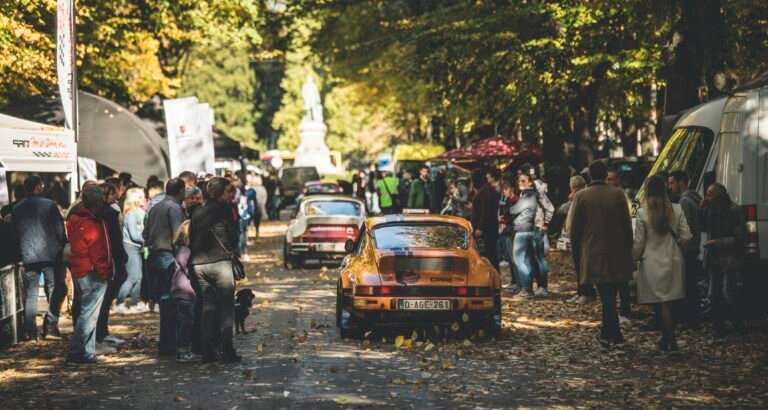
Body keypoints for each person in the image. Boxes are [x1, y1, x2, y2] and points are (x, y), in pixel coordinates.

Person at [569, 160, 634, 350]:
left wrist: (577, 253)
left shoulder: (581, 196)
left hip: (593, 252)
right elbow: (627, 225)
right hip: (617, 251)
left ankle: (614, 336)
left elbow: (575, 229)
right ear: (605, 174)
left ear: (589, 175)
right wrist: (628, 249)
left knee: (606, 294)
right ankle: (608, 334)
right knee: (609, 294)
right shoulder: (618, 194)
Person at [633, 176, 692, 353]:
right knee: (669, 303)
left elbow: (639, 243)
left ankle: (671, 342)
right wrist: (678, 247)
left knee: (661, 304)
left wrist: (633, 259)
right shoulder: (677, 209)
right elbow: (687, 236)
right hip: (674, 260)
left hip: (651, 262)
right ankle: (666, 340)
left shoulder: (643, 213)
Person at [189, 177, 241, 363]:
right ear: (220, 192)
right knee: (227, 308)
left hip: (199, 264)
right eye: (227, 191)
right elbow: (234, 238)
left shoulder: (197, 211)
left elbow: (191, 237)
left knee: (207, 307)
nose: (230, 195)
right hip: (220, 263)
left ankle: (207, 351)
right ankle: (227, 350)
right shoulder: (224, 210)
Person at [11, 175, 66, 340]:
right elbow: (59, 230)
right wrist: (62, 245)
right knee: (54, 290)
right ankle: (50, 327)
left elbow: (15, 233)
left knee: (31, 294)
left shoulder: (17, 208)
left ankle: (30, 331)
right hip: (50, 254)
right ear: (38, 186)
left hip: (29, 255)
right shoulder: (50, 205)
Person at [65, 186, 112, 365]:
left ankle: (87, 352)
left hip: (81, 270)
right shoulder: (91, 222)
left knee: (89, 314)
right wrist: (104, 271)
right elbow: (97, 250)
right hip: (91, 272)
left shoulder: (76, 219)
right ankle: (76, 352)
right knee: (88, 315)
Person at [143, 178, 186, 355]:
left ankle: (166, 342)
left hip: (155, 256)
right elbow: (179, 235)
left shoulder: (155, 207)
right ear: (181, 191)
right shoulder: (174, 208)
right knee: (170, 301)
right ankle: (169, 344)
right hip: (167, 256)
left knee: (164, 300)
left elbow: (145, 233)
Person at [700, 182, 747, 336]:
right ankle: (718, 326)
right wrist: (702, 211)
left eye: (709, 195)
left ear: (718, 197)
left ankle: (738, 323)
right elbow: (702, 227)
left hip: (729, 258)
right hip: (713, 258)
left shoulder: (734, 210)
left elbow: (739, 239)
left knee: (728, 292)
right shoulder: (711, 210)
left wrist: (717, 243)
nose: (706, 197)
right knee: (714, 294)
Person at [96, 182, 129, 349]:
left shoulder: (98, 212)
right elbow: (115, 239)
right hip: (109, 260)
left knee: (103, 300)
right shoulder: (108, 213)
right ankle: (100, 335)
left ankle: (101, 333)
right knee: (105, 299)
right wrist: (121, 257)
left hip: (102, 259)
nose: (117, 196)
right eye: (114, 193)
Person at [668, 170, 703, 324]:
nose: (670, 186)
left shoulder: (684, 201)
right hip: (694, 246)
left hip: (687, 248)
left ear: (681, 182)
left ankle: (690, 318)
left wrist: (679, 243)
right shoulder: (695, 198)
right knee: (691, 282)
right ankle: (693, 316)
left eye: (672, 182)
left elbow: (685, 226)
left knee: (687, 284)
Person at [561, 176, 596, 304]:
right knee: (579, 267)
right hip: (577, 236)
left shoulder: (580, 196)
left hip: (581, 236)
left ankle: (587, 292)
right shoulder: (576, 196)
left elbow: (565, 210)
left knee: (582, 267)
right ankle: (581, 291)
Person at [604, 165, 633, 323]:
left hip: (620, 243)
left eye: (611, 179)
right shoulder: (609, 195)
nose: (608, 182)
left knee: (621, 281)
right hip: (610, 243)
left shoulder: (622, 196)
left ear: (618, 180)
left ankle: (624, 311)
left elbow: (628, 220)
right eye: (607, 179)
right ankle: (615, 311)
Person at [171, 220, 201, 362]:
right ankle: (183, 351)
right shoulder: (185, 251)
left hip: (185, 292)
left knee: (186, 321)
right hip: (184, 292)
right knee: (185, 322)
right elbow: (190, 271)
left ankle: (184, 350)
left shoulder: (185, 250)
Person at [116, 188, 148, 314]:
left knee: (139, 277)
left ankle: (135, 303)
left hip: (137, 247)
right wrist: (148, 240)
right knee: (133, 277)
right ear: (134, 200)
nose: (144, 199)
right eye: (140, 197)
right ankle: (119, 302)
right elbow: (134, 235)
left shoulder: (140, 212)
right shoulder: (132, 214)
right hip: (130, 247)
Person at [506, 172, 539, 298]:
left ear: (530, 182)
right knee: (527, 260)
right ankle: (528, 288)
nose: (520, 183)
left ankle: (526, 289)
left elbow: (513, 210)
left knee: (518, 260)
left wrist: (511, 209)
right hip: (529, 229)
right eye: (519, 180)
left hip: (522, 230)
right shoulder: (532, 195)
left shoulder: (528, 196)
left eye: (523, 181)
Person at [471, 168, 501, 270]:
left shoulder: (486, 191)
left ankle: (494, 275)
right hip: (487, 229)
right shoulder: (486, 189)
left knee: (490, 255)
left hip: (487, 230)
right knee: (489, 255)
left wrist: (480, 228)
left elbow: (486, 211)